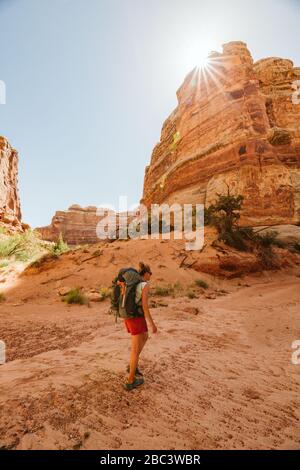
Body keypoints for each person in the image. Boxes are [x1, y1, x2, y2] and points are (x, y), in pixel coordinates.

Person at [124, 262, 157, 391]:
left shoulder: (134, 284)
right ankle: (130, 380)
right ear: (146, 273)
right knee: (135, 349)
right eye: (150, 273)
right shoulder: (144, 285)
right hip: (136, 318)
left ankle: (133, 364)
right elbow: (145, 307)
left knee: (145, 336)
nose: (151, 275)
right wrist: (153, 324)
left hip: (129, 316)